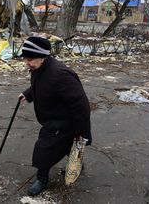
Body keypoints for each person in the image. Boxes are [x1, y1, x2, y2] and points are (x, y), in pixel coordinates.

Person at [18, 36, 92, 196]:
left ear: (43, 56)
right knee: (67, 146)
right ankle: (76, 164)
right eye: (26, 59)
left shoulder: (61, 75)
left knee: (43, 149)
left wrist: (82, 132)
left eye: (30, 59)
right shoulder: (40, 69)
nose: (27, 63)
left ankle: (42, 179)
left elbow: (82, 106)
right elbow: (40, 85)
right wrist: (28, 94)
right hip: (54, 118)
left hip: (63, 122)